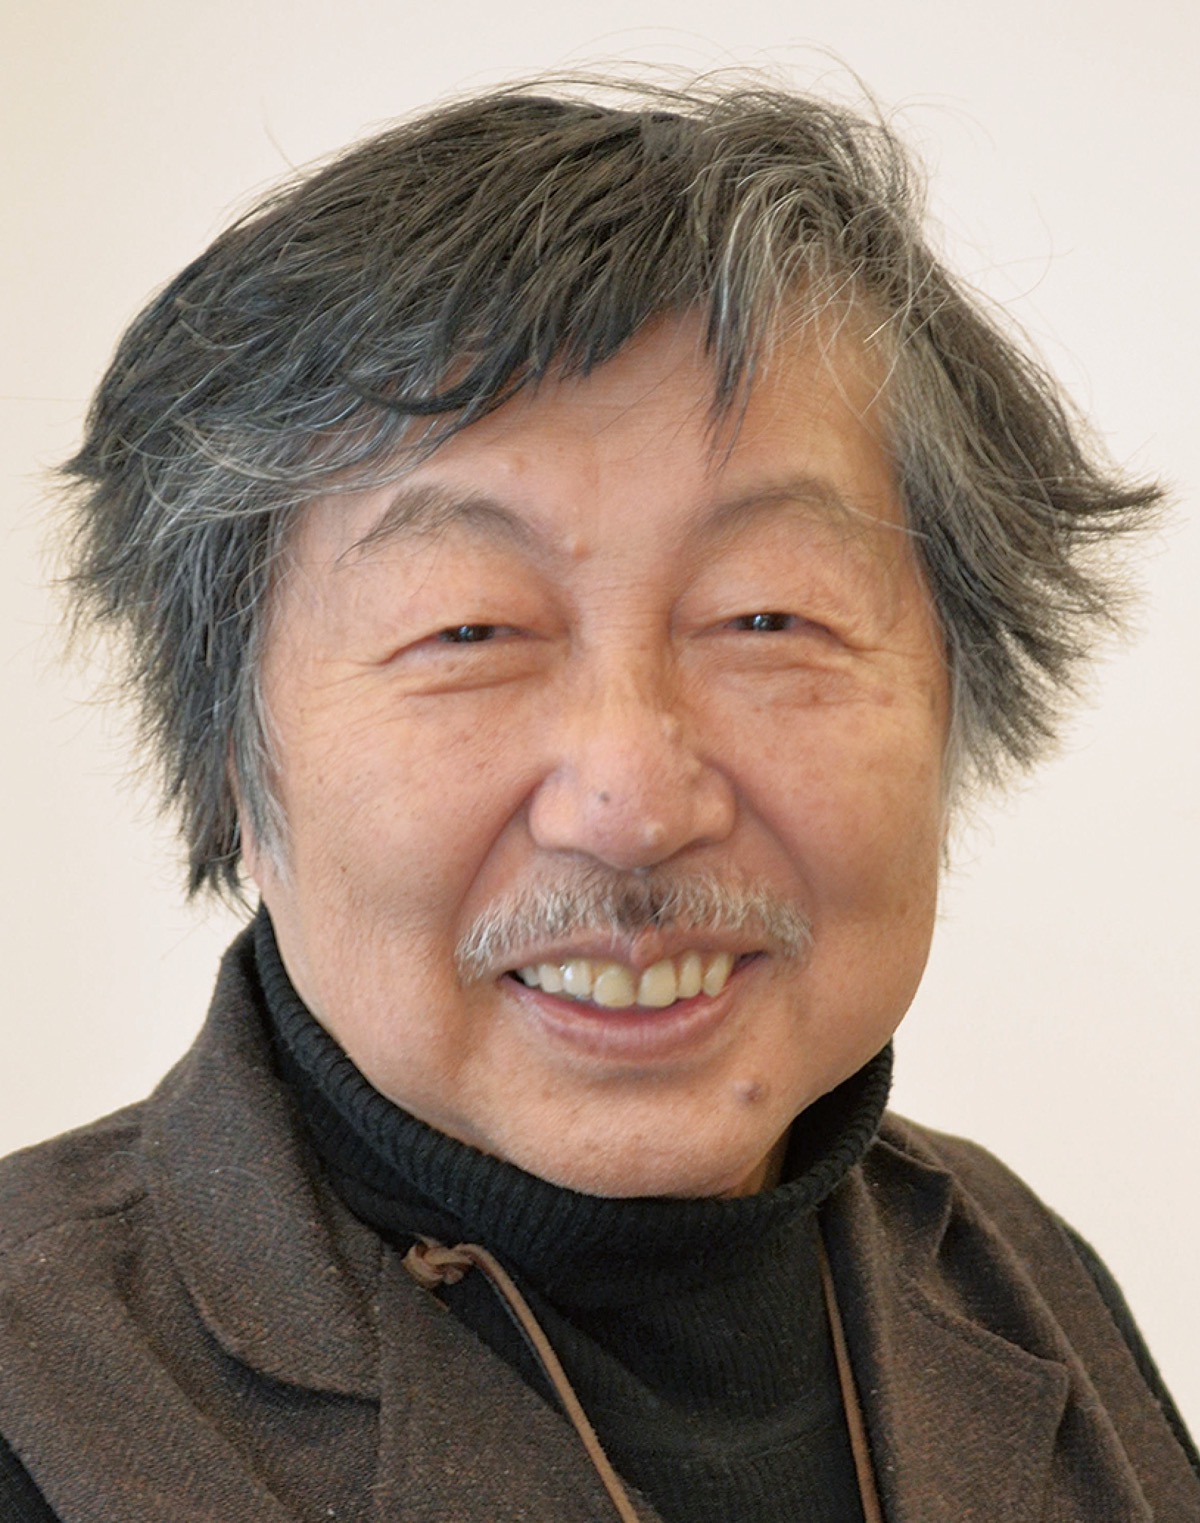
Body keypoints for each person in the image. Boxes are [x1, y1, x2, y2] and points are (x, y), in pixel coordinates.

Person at [1, 76, 1196, 1523]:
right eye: (468, 631)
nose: (630, 803)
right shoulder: (38, 1399)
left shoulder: (1016, 1276)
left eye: (769, 618)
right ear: (233, 764)